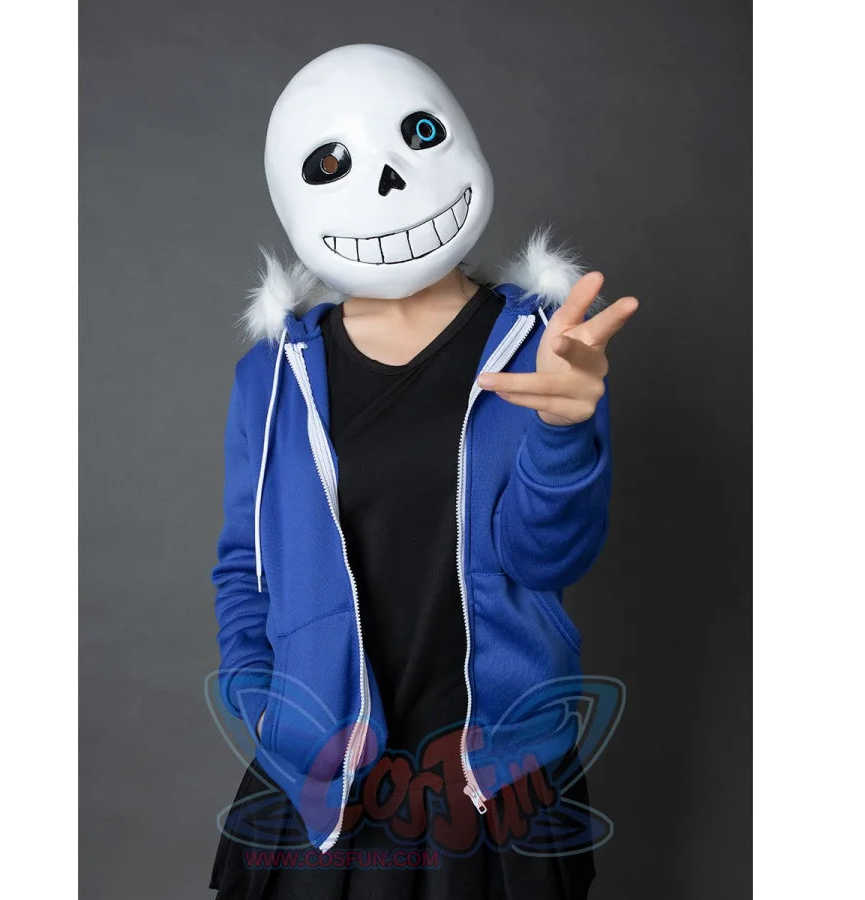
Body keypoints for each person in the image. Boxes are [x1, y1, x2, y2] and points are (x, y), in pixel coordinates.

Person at [208, 44, 638, 899]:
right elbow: (244, 568)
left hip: (494, 777)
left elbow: (548, 561)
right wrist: (267, 705)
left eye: (421, 134)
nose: (388, 180)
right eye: (333, 163)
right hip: (326, 782)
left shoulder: (546, 346)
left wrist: (563, 430)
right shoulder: (275, 374)